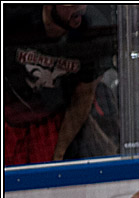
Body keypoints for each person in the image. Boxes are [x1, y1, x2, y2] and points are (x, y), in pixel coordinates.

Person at [3, 4, 108, 165]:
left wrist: (59, 152)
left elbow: (84, 96)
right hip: (10, 115)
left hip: (53, 120)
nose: (80, 8)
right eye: (70, 4)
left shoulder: (93, 31)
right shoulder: (13, 17)